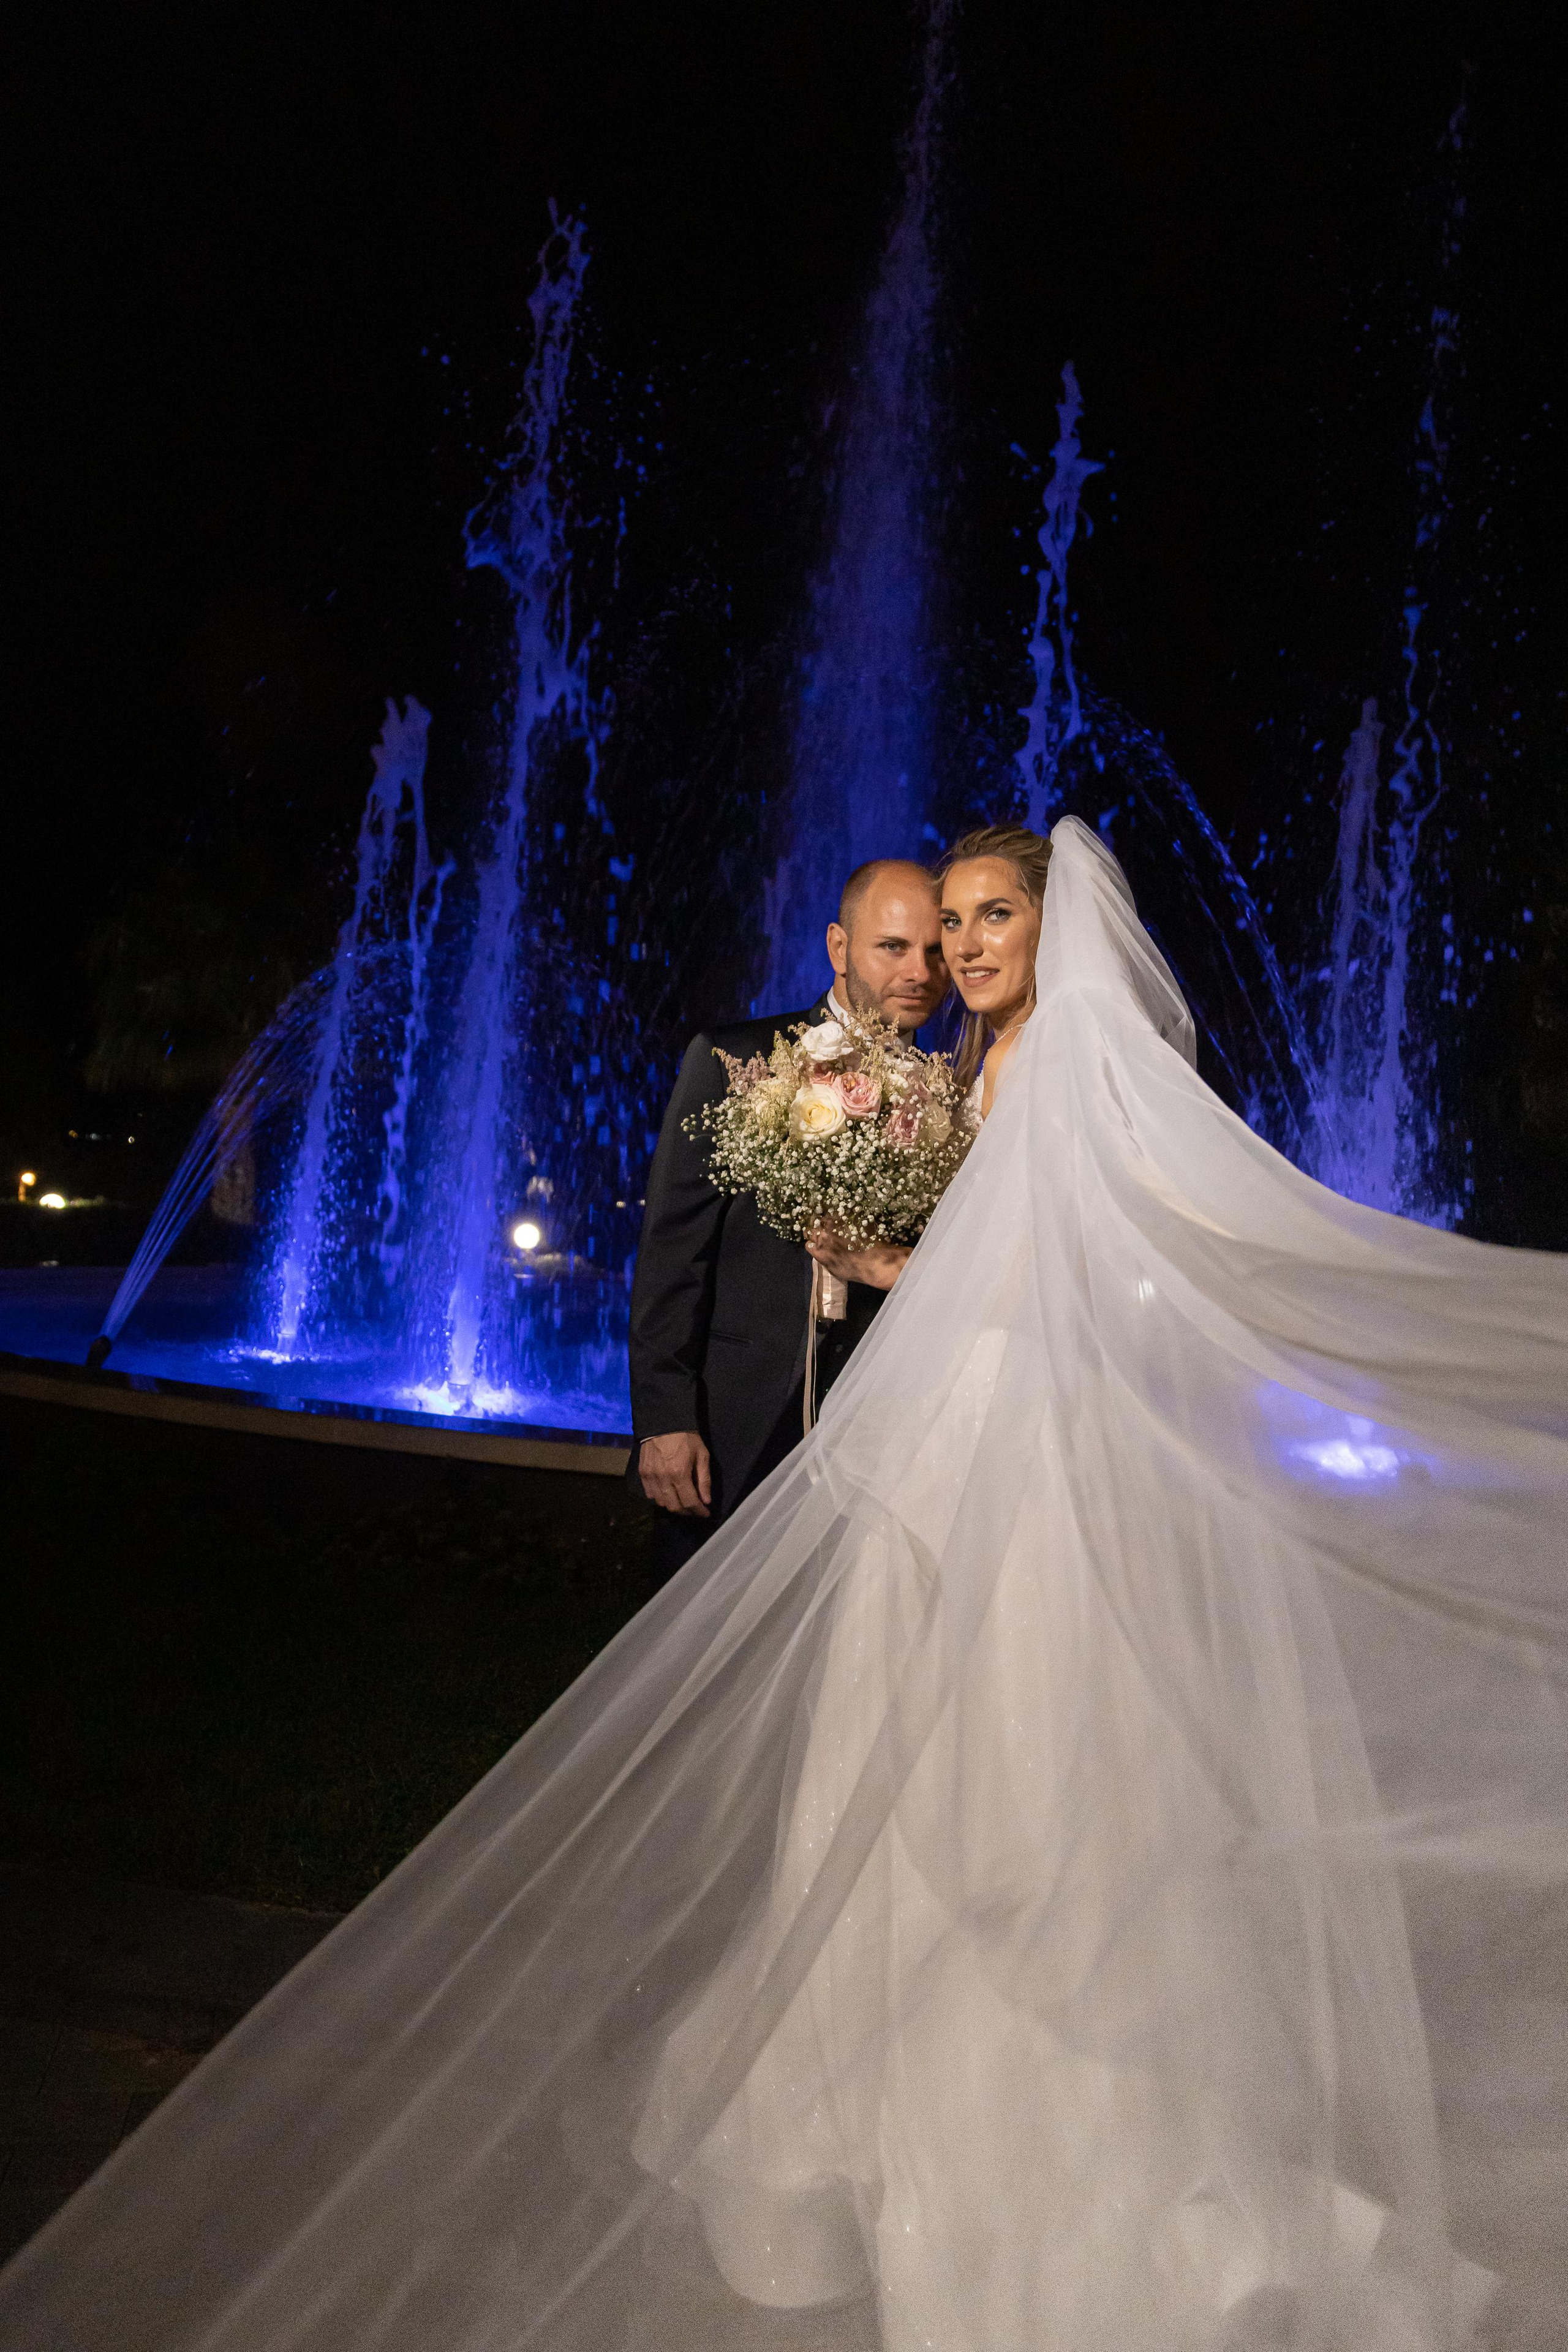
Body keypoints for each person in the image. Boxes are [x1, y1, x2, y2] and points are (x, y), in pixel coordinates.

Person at [5, 819, 1566, 2352]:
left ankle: (1052, 2123)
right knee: (877, 1768)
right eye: (942, 921)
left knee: (1007, 1771)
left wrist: (893, 1271)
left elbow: (1102, 1266)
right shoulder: (964, 1069)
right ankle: (877, 2095)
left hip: (1005, 1453)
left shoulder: (1072, 1059)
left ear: (1049, 925)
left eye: (984, 918)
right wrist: (872, 1269)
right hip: (943, 1440)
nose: (958, 946)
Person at [628, 856, 948, 1575]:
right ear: (839, 947)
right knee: (703, 1658)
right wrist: (666, 1419)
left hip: (880, 1428)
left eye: (934, 950)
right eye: (892, 947)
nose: (919, 972)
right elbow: (672, 1254)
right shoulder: (734, 1060)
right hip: (734, 1421)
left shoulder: (946, 1099)